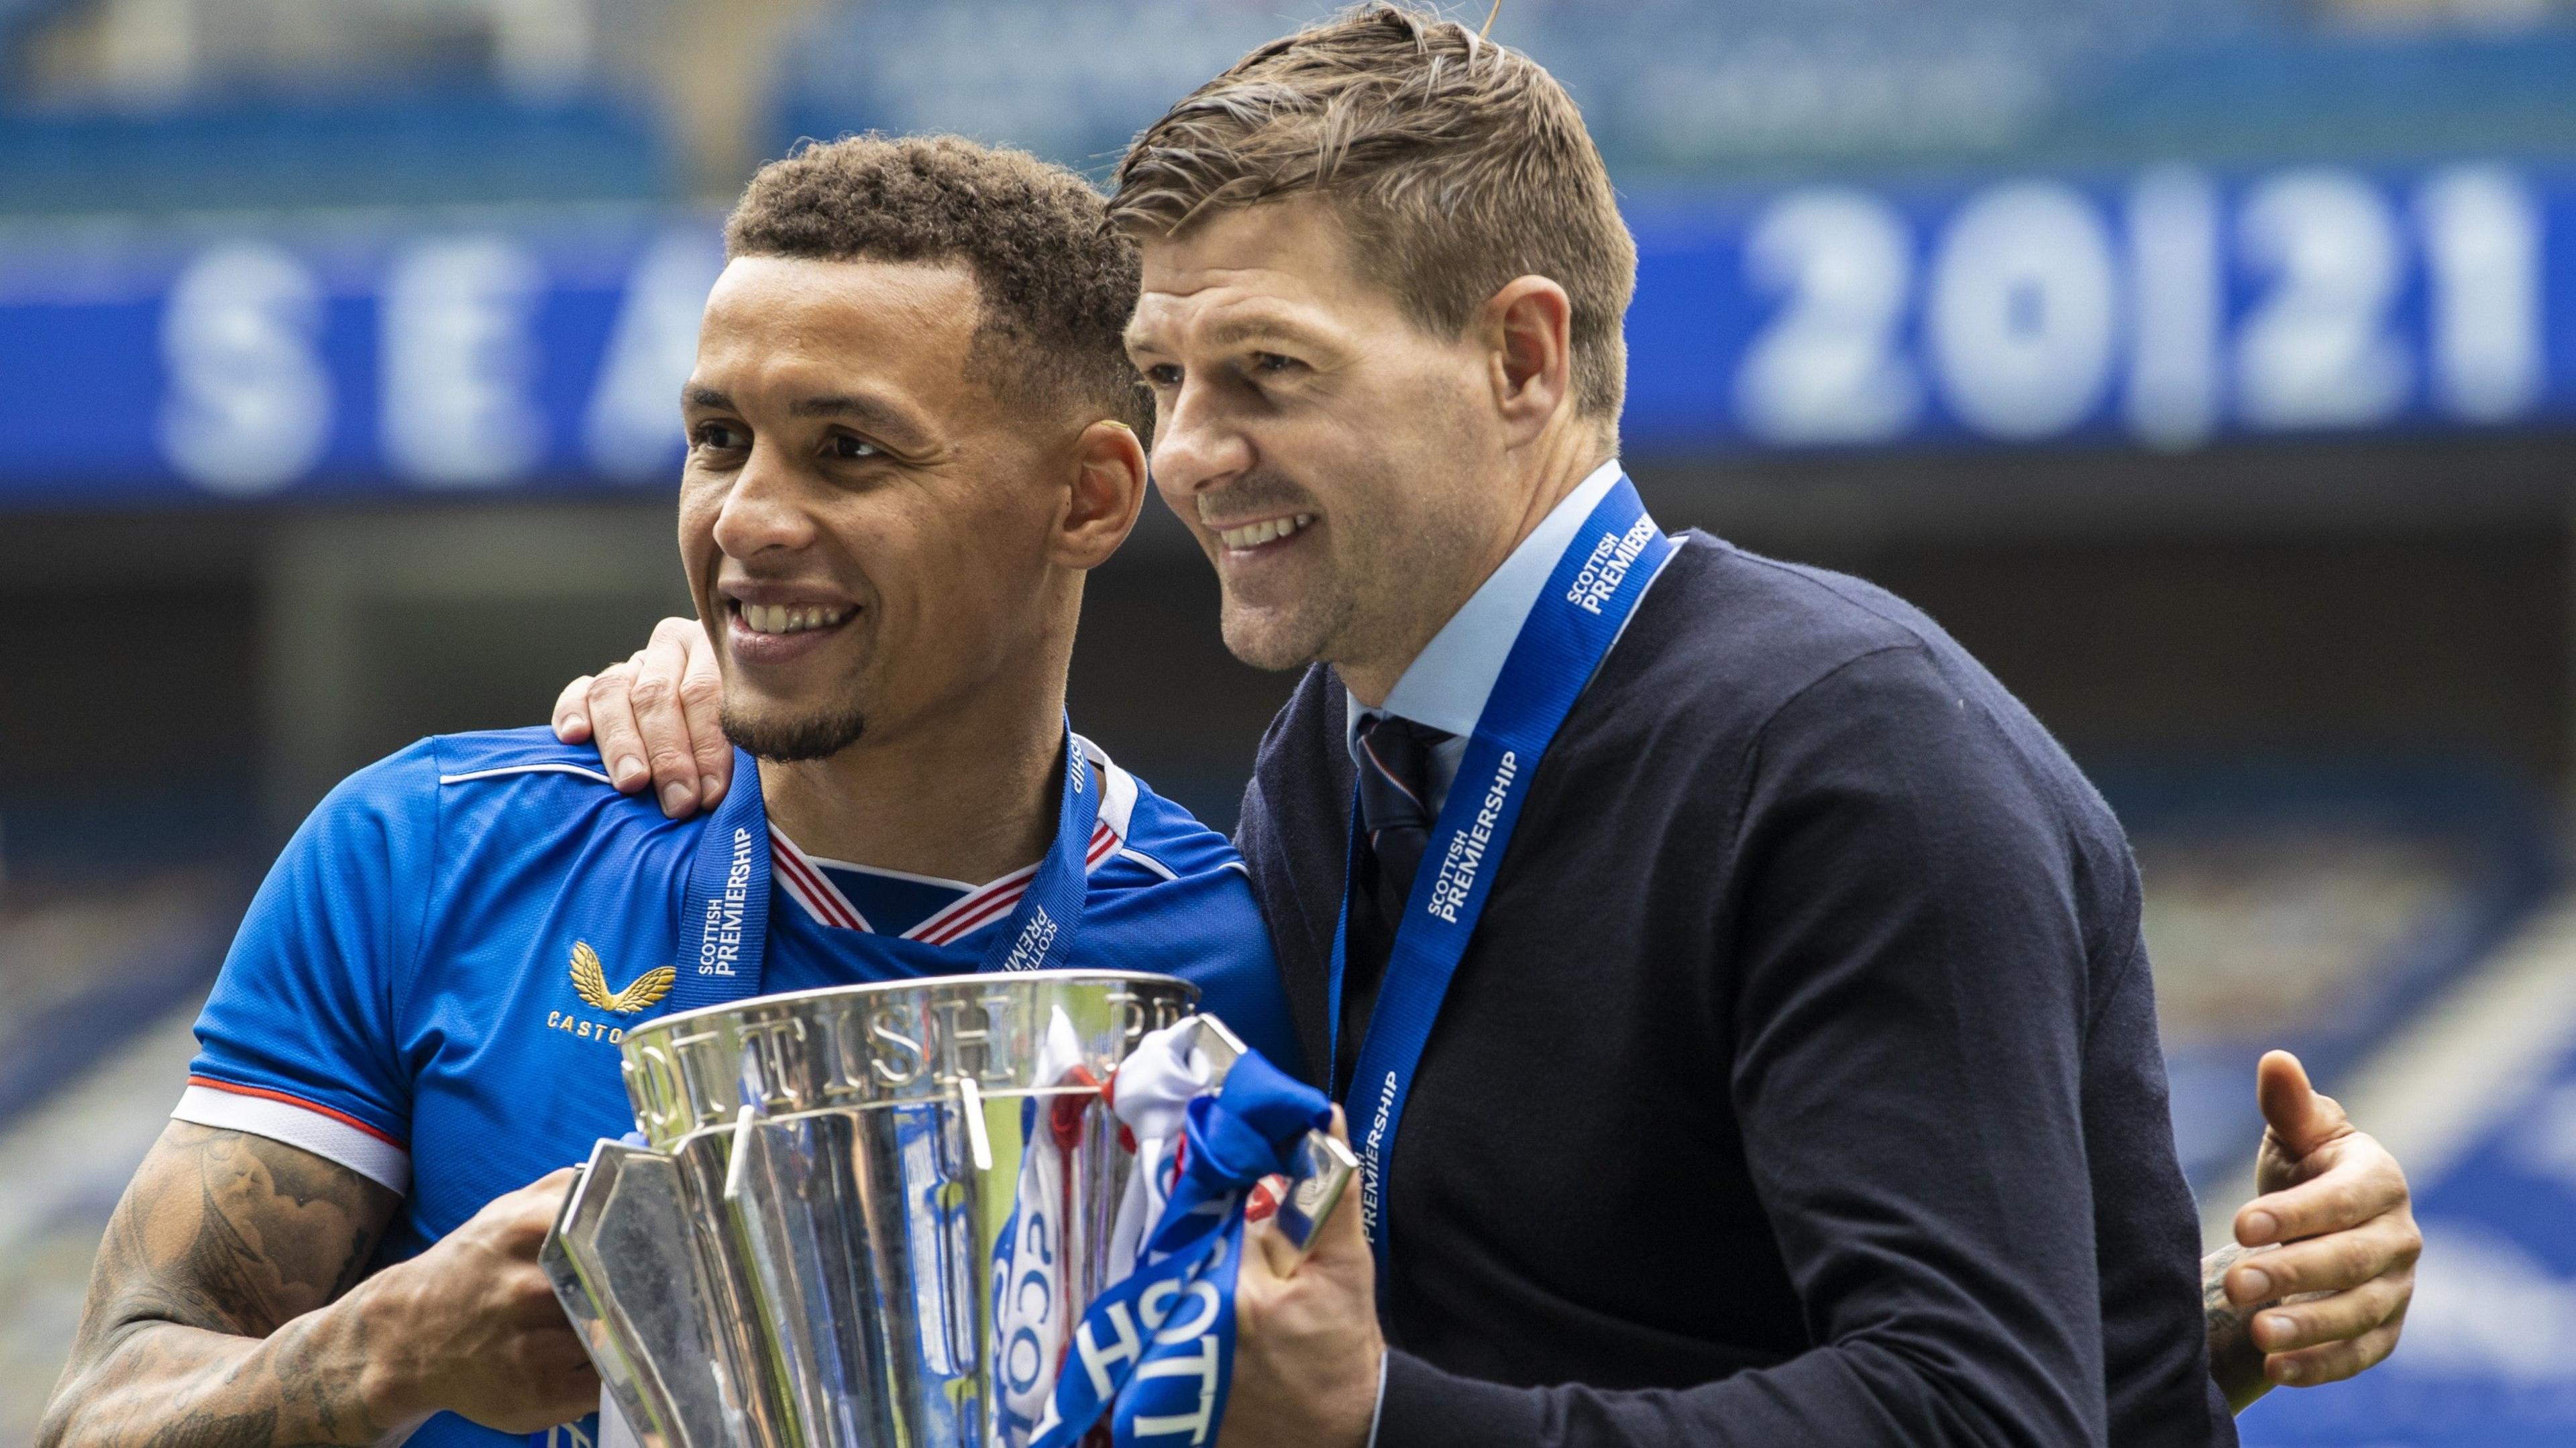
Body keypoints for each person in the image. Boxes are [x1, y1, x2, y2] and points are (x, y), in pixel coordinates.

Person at [568, 8, 2419, 1447]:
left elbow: (1981, 1412)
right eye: (1165, 377)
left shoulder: (1846, 747)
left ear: (1523, 359)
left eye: (1268, 374)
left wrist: (1385, 1421)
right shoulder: (1335, 761)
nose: (1193, 455)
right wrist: (738, 678)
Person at [38, 135, 1303, 1448]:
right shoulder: (427, 855)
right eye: (718, 438)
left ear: (1090, 497)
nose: (746, 516)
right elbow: (99, 1414)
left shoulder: (1246, 961)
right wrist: (391, 1348)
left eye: (849, 451)